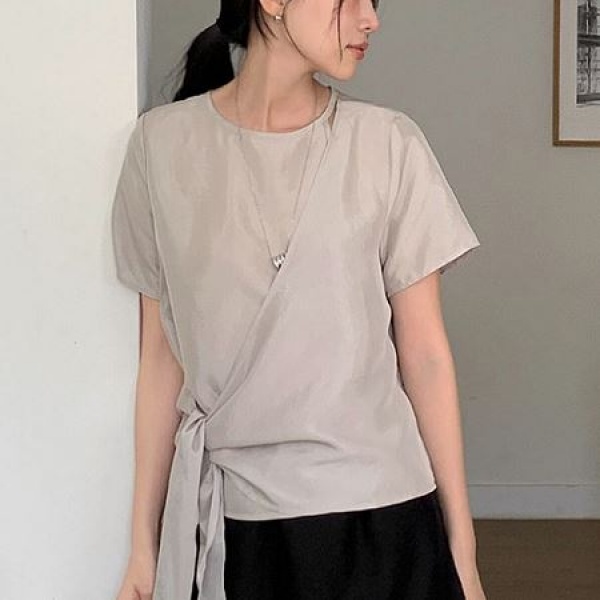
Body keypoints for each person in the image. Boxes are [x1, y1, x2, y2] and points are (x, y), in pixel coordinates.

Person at [111, 1, 487, 599]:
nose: (370, 19)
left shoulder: (388, 143)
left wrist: (462, 550)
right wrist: (143, 547)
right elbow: (160, 360)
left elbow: (426, 355)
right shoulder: (160, 147)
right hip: (232, 526)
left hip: (381, 520)